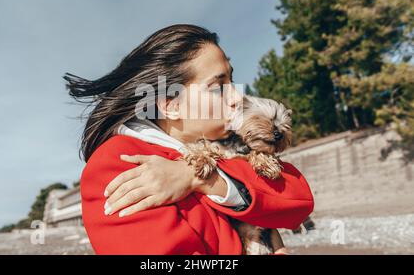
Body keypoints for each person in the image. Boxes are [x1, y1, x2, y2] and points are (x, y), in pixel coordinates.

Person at [64, 24, 314, 254]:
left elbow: (299, 200)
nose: (238, 96)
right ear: (171, 105)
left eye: (232, 79)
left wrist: (198, 177)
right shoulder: (118, 163)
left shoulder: (222, 154)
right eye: (218, 86)